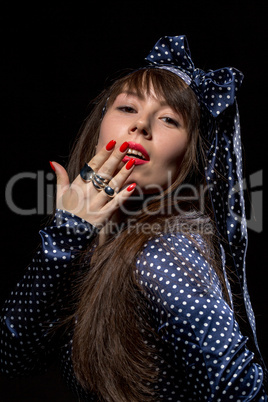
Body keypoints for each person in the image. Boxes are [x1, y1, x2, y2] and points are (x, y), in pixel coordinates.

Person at [0, 35, 267, 401]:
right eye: (127, 108)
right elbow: (14, 358)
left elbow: (244, 393)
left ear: (188, 162)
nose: (141, 126)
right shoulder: (86, 240)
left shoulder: (164, 254)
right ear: (99, 126)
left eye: (169, 119)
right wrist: (66, 235)